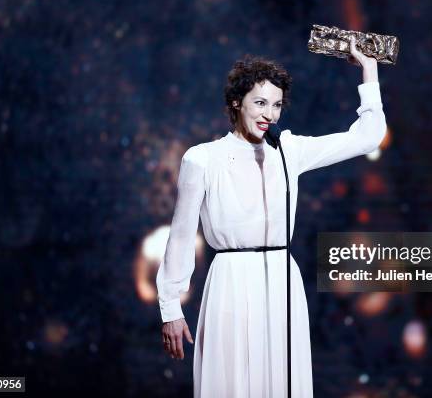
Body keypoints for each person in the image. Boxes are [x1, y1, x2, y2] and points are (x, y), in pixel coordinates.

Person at [157, 37, 387, 397]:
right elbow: (182, 235)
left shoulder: (288, 150)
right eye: (260, 103)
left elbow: (368, 137)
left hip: (282, 279)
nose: (270, 114)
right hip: (230, 282)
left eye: (277, 105)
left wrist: (368, 70)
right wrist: (170, 306)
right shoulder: (202, 159)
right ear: (237, 102)